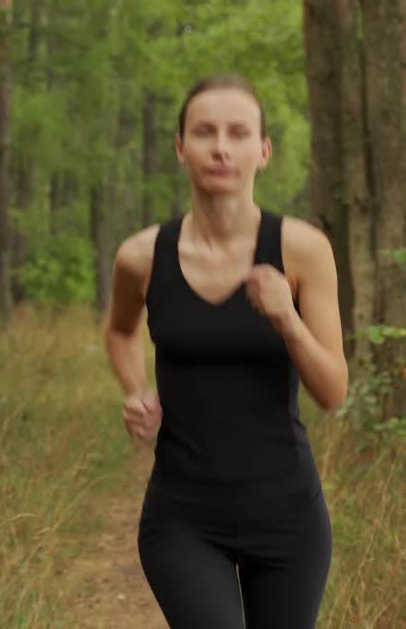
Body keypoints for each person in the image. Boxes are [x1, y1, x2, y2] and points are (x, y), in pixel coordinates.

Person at [102, 73, 348, 628]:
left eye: (238, 133)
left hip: (288, 517)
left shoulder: (303, 251)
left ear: (262, 151)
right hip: (182, 519)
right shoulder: (141, 257)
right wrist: (136, 391)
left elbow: (333, 391)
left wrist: (287, 319)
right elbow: (119, 331)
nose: (220, 146)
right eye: (204, 132)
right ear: (180, 148)